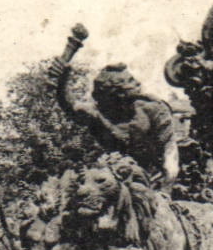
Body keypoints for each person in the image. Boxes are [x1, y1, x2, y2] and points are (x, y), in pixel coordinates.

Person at [50, 62, 181, 187]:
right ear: (116, 93)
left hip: (156, 175)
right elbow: (70, 106)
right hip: (117, 173)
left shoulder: (153, 109)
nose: (138, 83)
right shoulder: (98, 114)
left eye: (133, 80)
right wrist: (63, 79)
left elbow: (169, 148)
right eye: (130, 81)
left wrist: (166, 184)